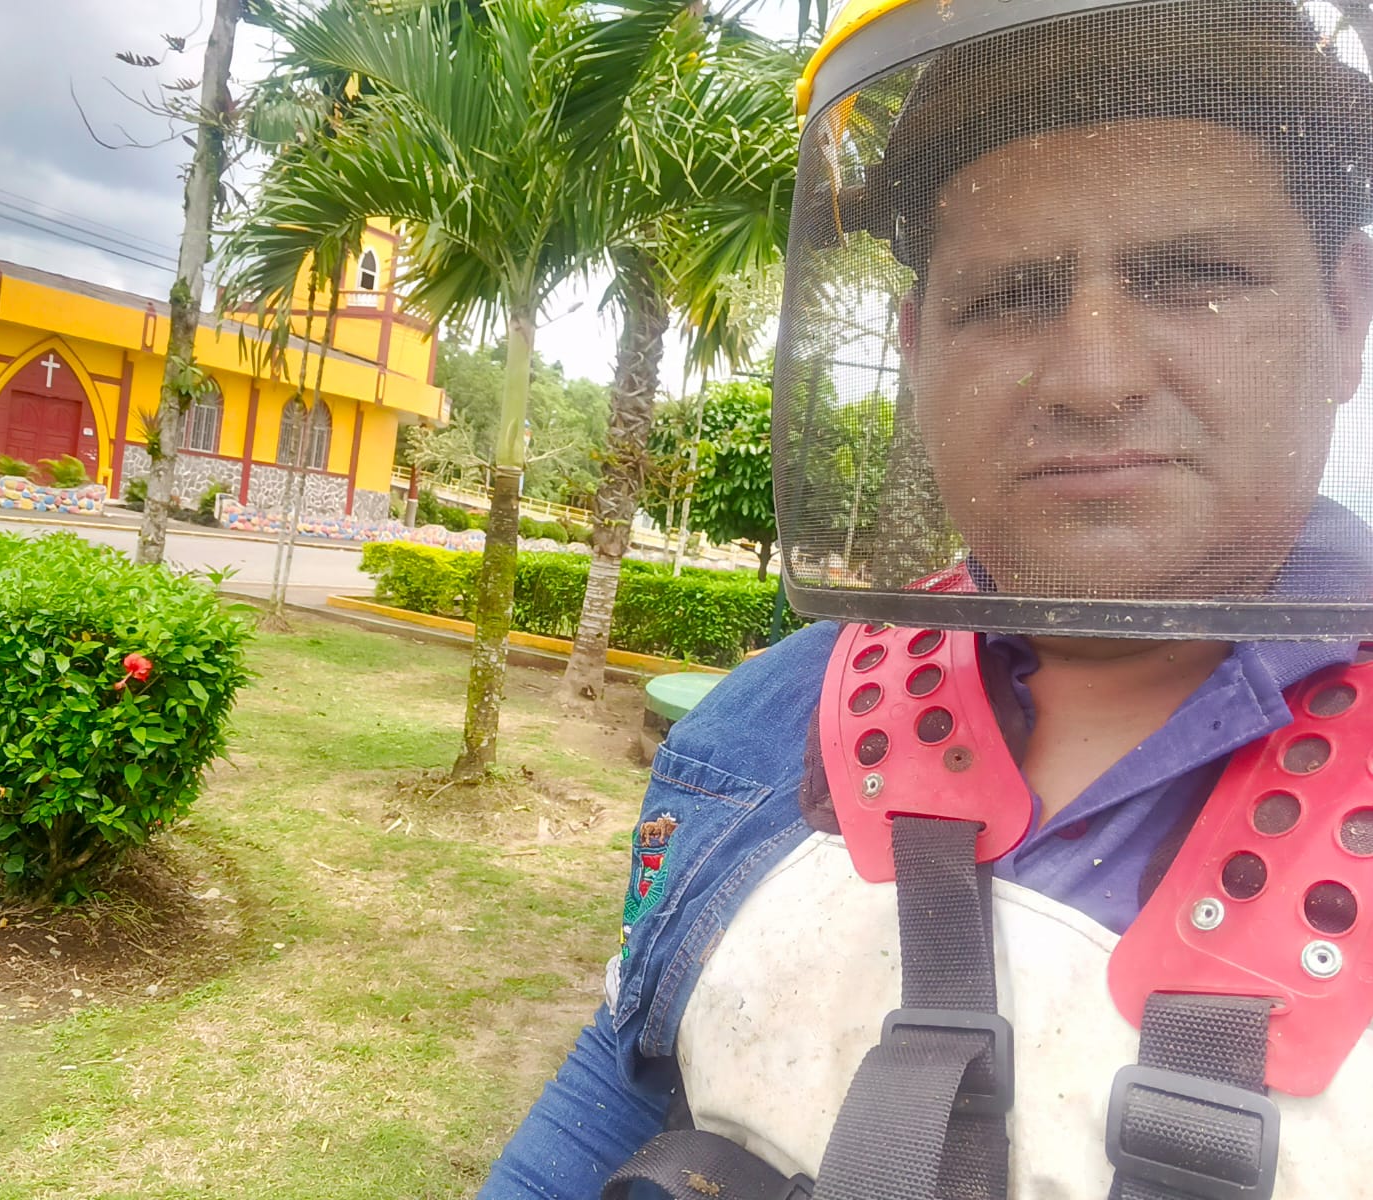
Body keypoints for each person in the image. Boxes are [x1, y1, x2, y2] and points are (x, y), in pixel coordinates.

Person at [481, 2, 1373, 1197]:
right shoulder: (759, 729)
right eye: (1006, 296)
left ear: (1346, 313)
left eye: (1197, 277)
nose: (1094, 377)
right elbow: (618, 1092)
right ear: (916, 344)